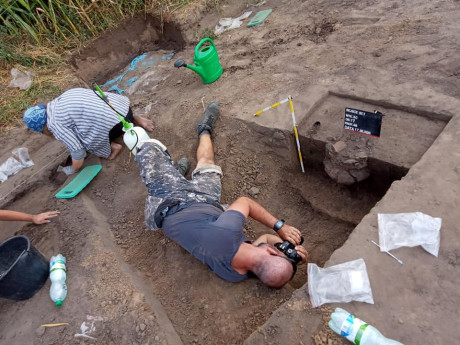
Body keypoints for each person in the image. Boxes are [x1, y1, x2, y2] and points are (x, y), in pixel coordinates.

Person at [135, 102, 308, 288]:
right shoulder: (236, 273)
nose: (278, 249)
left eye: (278, 251)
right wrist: (288, 251)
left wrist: (279, 227)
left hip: (170, 203)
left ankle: (173, 173)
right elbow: (265, 240)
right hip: (207, 205)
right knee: (207, 164)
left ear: (272, 253)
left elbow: (245, 202)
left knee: (148, 153)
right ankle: (204, 129)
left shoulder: (227, 231)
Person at [22, 88, 154, 175]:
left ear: (42, 128)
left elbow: (78, 151)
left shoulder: (54, 124)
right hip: (123, 109)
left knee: (85, 142)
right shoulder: (62, 98)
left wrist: (73, 168)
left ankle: (113, 148)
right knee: (90, 119)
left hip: (116, 125)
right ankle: (135, 119)